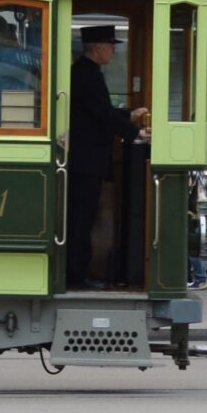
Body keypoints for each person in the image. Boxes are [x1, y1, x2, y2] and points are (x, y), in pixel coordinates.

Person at [67, 25, 149, 290]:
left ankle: (78, 272)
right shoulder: (86, 75)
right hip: (85, 161)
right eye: (111, 46)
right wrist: (135, 131)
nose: (113, 51)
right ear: (99, 47)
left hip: (86, 160)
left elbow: (99, 111)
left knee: (83, 217)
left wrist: (128, 117)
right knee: (81, 218)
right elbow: (101, 114)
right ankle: (76, 275)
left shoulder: (86, 73)